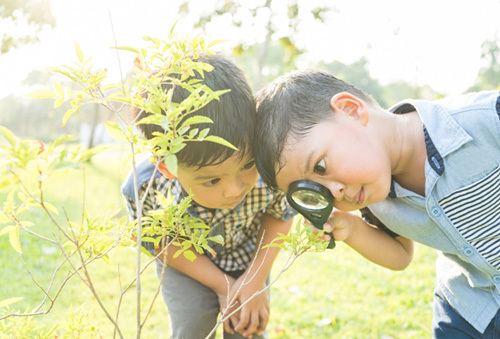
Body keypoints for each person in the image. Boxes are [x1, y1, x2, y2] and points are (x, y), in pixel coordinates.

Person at [254, 68, 500, 338]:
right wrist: (352, 229)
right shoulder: (371, 195)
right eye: (315, 191)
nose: (334, 193)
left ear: (351, 110)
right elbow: (400, 255)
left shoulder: (486, 121)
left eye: (321, 166)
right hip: (468, 308)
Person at [121, 53, 296, 339]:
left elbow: (279, 218)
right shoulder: (147, 187)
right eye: (212, 180)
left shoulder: (270, 165)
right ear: (168, 167)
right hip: (188, 263)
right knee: (194, 326)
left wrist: (252, 283)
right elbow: (162, 242)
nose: (234, 189)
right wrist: (222, 285)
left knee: (247, 326)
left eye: (247, 165)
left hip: (248, 257)